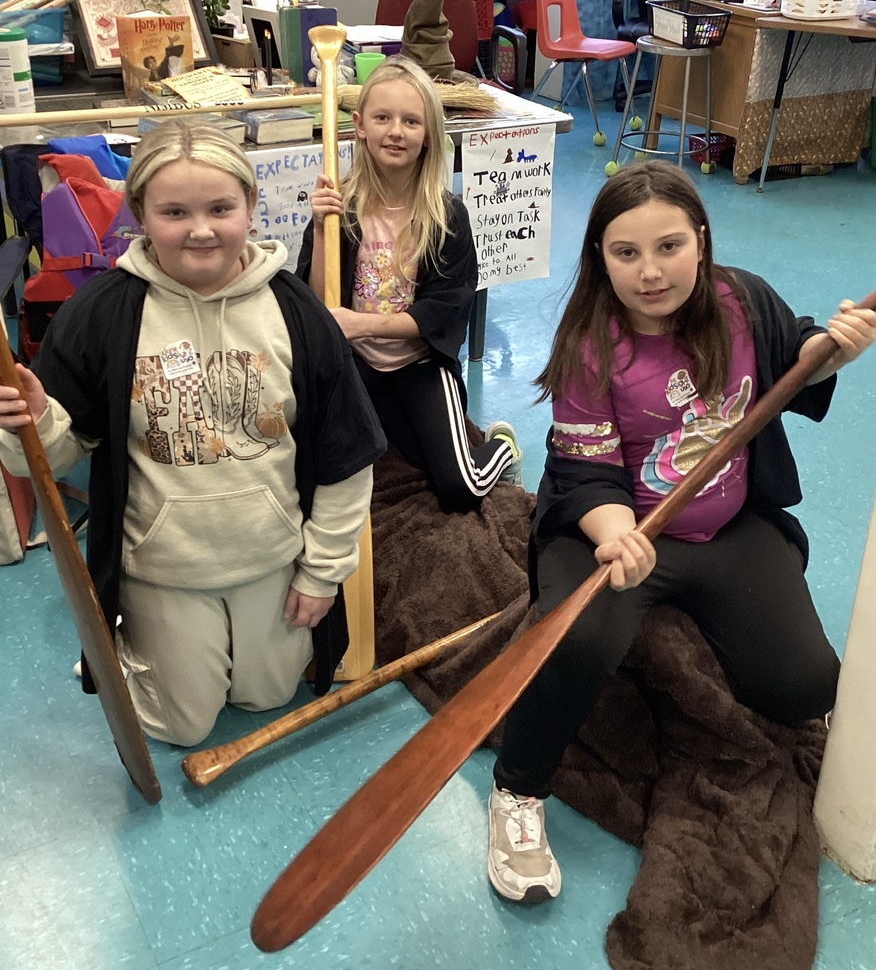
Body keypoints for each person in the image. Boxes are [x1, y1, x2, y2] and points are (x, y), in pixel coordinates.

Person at [486, 162, 876, 904]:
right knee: (582, 640)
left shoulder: (742, 299)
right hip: (612, 527)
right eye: (625, 253)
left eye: (669, 247)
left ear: (701, 239)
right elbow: (586, 470)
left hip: (726, 526)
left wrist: (835, 353)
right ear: (599, 256)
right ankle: (517, 791)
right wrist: (616, 532)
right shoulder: (589, 345)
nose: (651, 272)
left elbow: (800, 357)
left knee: (804, 688)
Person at [0, 119, 386, 748]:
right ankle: (133, 643)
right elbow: (52, 458)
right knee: (183, 725)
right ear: (141, 216)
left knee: (268, 696)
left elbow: (346, 461)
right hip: (163, 564)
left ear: (251, 209)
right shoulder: (101, 315)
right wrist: (35, 423)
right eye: (174, 211)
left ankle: (210, 651)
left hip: (271, 557)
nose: (201, 229)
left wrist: (321, 574)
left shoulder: (297, 312)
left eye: (220, 208)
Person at [296, 54, 522, 513]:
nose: (395, 131)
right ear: (359, 125)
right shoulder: (342, 208)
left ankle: (501, 445)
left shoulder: (446, 217)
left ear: (428, 135)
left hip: (419, 363)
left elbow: (439, 312)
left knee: (459, 488)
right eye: (382, 117)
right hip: (354, 362)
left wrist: (360, 325)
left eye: (410, 121)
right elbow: (319, 301)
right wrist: (321, 229)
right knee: (313, 466)